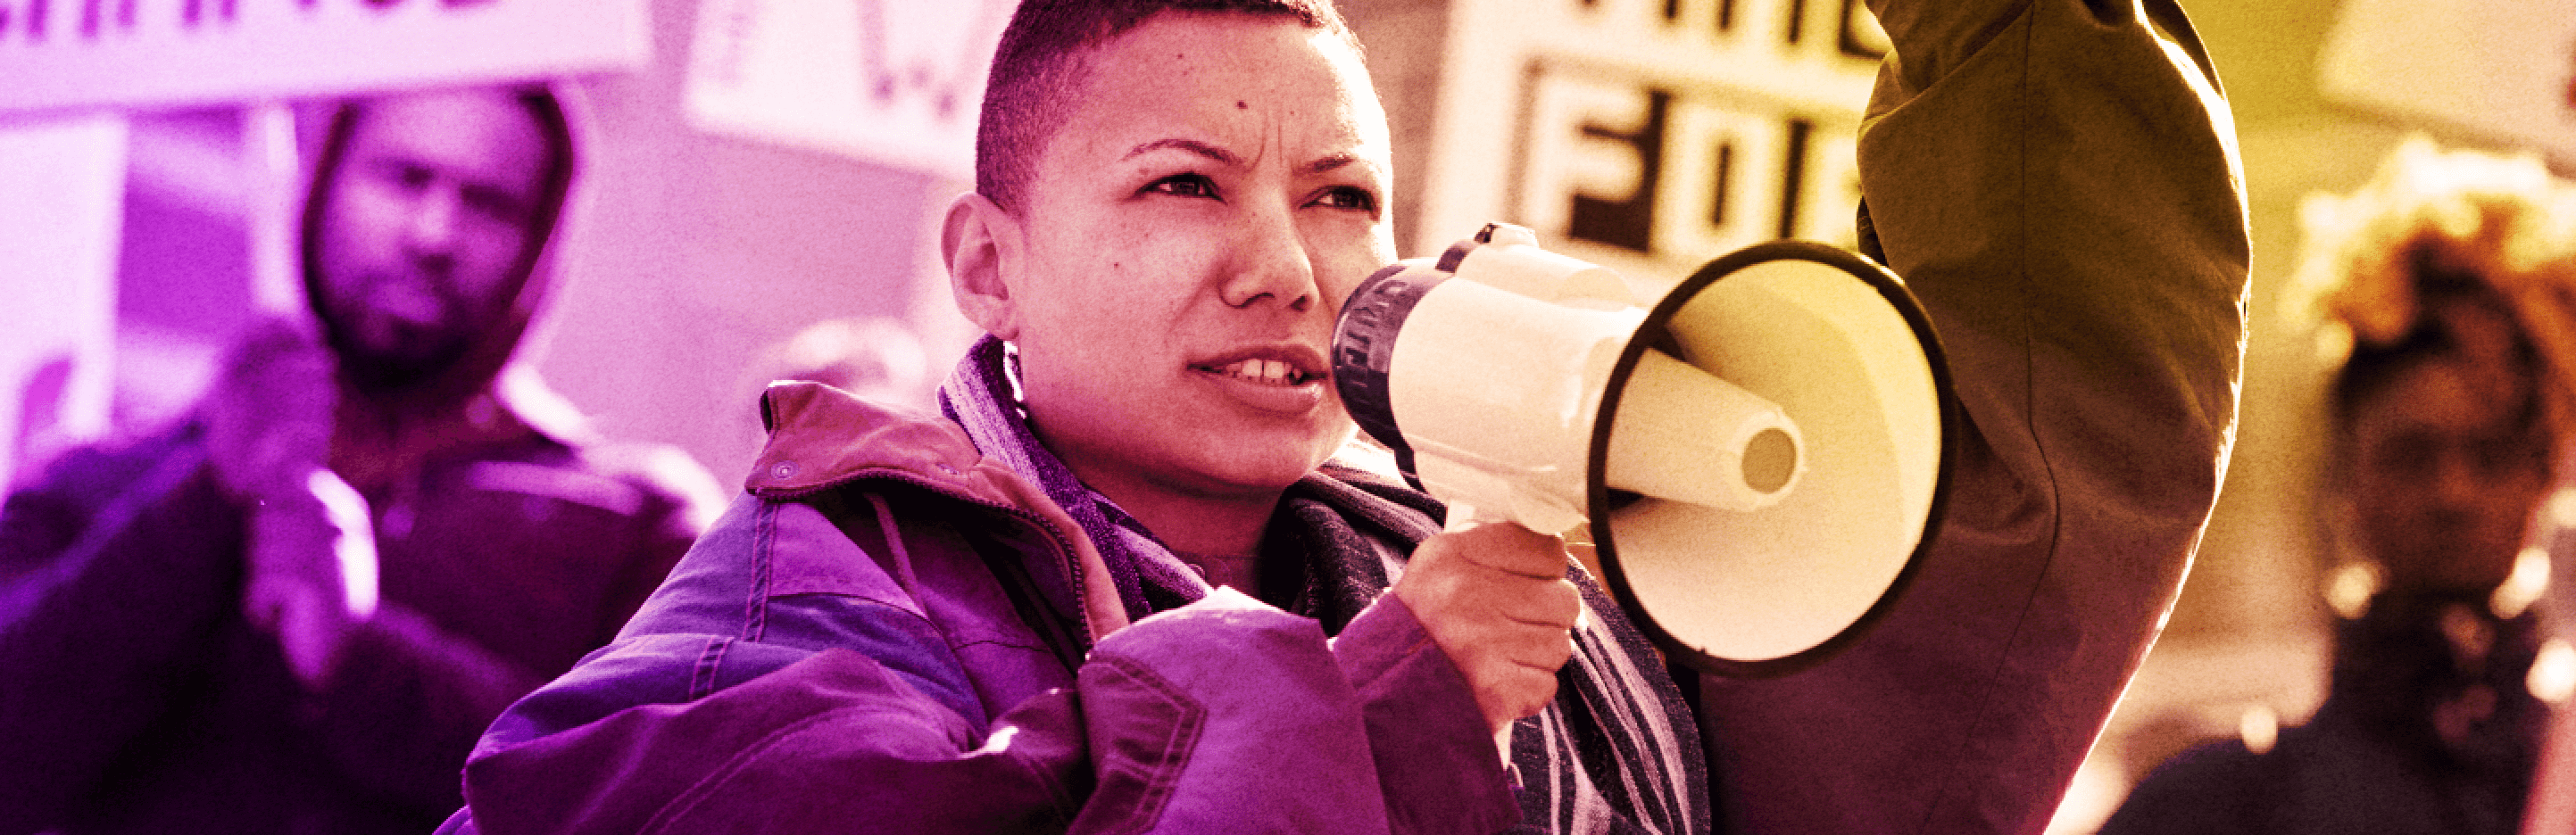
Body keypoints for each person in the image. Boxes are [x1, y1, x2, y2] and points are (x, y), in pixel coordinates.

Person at [445, 0, 2248, 832]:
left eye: (1338, 198)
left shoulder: (1558, 607)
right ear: (986, 263)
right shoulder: (812, 616)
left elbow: (2015, 511)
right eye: (1180, 188)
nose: (1288, 271)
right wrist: (1386, 710)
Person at [0, 84, 722, 835]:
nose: (435, 234)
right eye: (404, 178)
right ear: (320, 181)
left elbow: (656, 802)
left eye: (490, 204)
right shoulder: (101, 478)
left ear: (545, 242)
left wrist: (361, 655)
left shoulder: (642, 526)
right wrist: (204, 502)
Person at [2098, 139, 2570, 835]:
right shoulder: (2208, 813)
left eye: (2491, 454)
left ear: (2545, 472)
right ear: (2347, 474)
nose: (2454, 493)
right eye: (2412, 455)